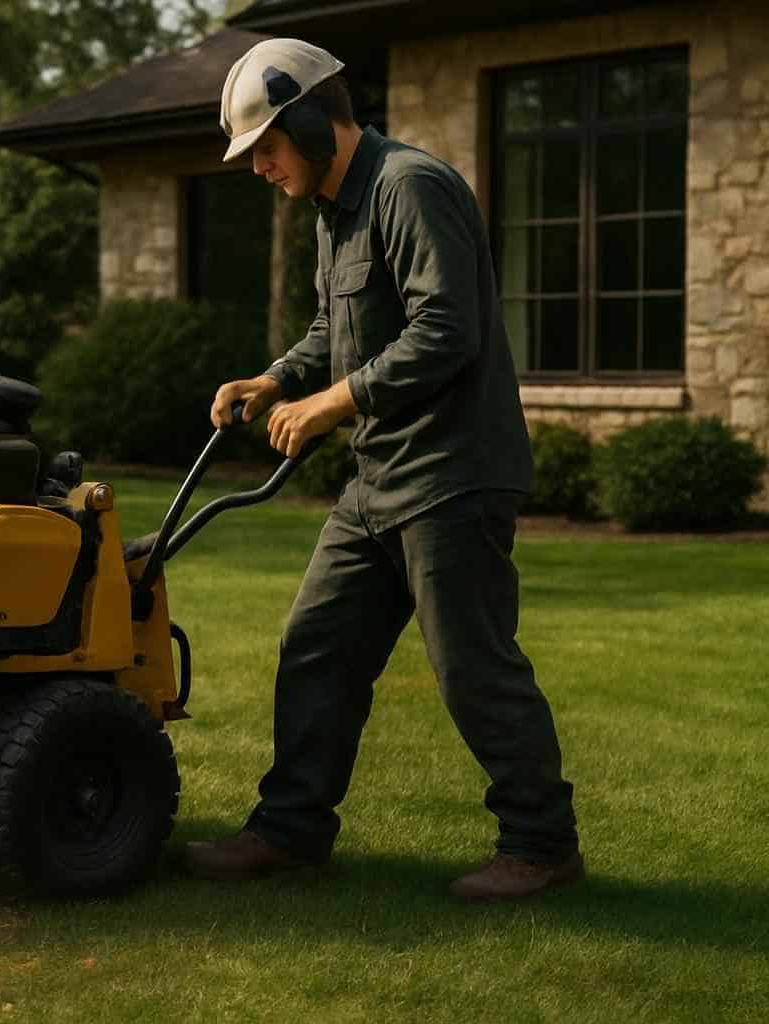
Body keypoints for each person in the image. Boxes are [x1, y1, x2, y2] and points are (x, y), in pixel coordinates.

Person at [186, 38, 581, 901]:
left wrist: (333, 404)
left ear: (307, 123)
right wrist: (277, 379)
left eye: (266, 147)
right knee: (317, 647)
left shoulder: (410, 187)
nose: (259, 168)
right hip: (377, 480)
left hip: (452, 473)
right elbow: (337, 328)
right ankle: (289, 833)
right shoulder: (336, 208)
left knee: (472, 665)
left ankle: (542, 845)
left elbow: (447, 330)